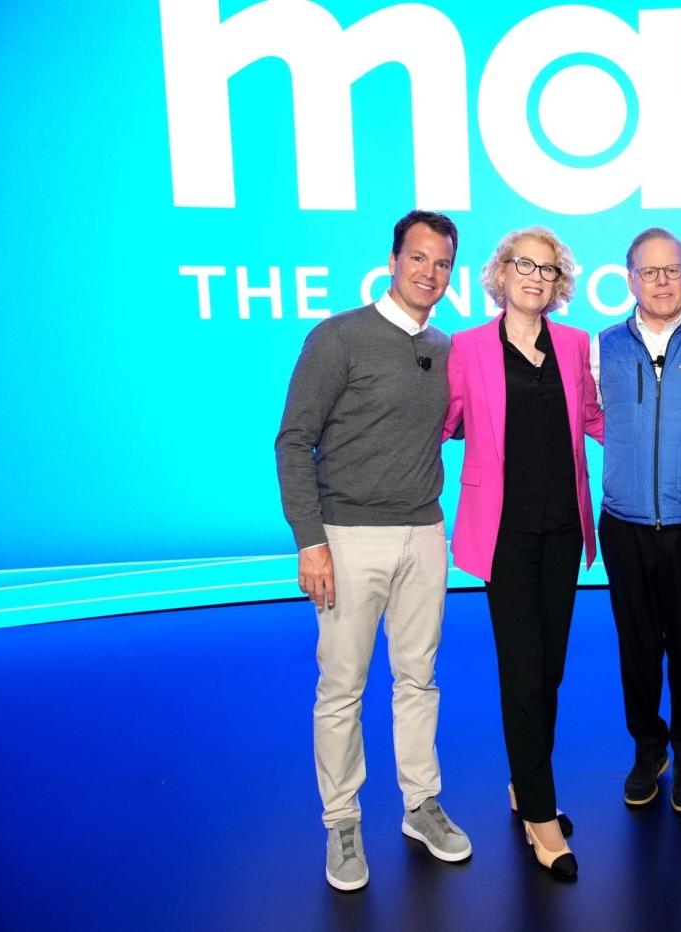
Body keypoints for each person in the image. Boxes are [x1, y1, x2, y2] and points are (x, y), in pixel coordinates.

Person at [275, 210, 472, 892]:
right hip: (347, 537)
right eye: (418, 258)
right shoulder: (339, 338)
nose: (429, 273)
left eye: (442, 263)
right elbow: (293, 441)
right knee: (342, 689)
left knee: (418, 680)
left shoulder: (448, 350)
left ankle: (421, 804)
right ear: (392, 261)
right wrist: (311, 543)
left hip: (424, 534)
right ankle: (342, 823)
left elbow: (476, 424)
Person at [443, 227, 602, 881]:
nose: (536, 276)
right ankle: (540, 813)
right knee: (522, 667)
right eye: (523, 264)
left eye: (548, 267)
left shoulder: (574, 344)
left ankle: (522, 780)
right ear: (500, 275)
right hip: (502, 533)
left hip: (565, 528)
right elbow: (442, 421)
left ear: (559, 281)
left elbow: (596, 417)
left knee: (551, 668)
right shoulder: (467, 348)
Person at [590, 228, 681, 812]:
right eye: (650, 272)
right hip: (624, 523)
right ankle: (649, 750)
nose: (662, 282)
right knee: (637, 646)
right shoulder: (600, 347)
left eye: (672, 270)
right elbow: (588, 418)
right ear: (631, 281)